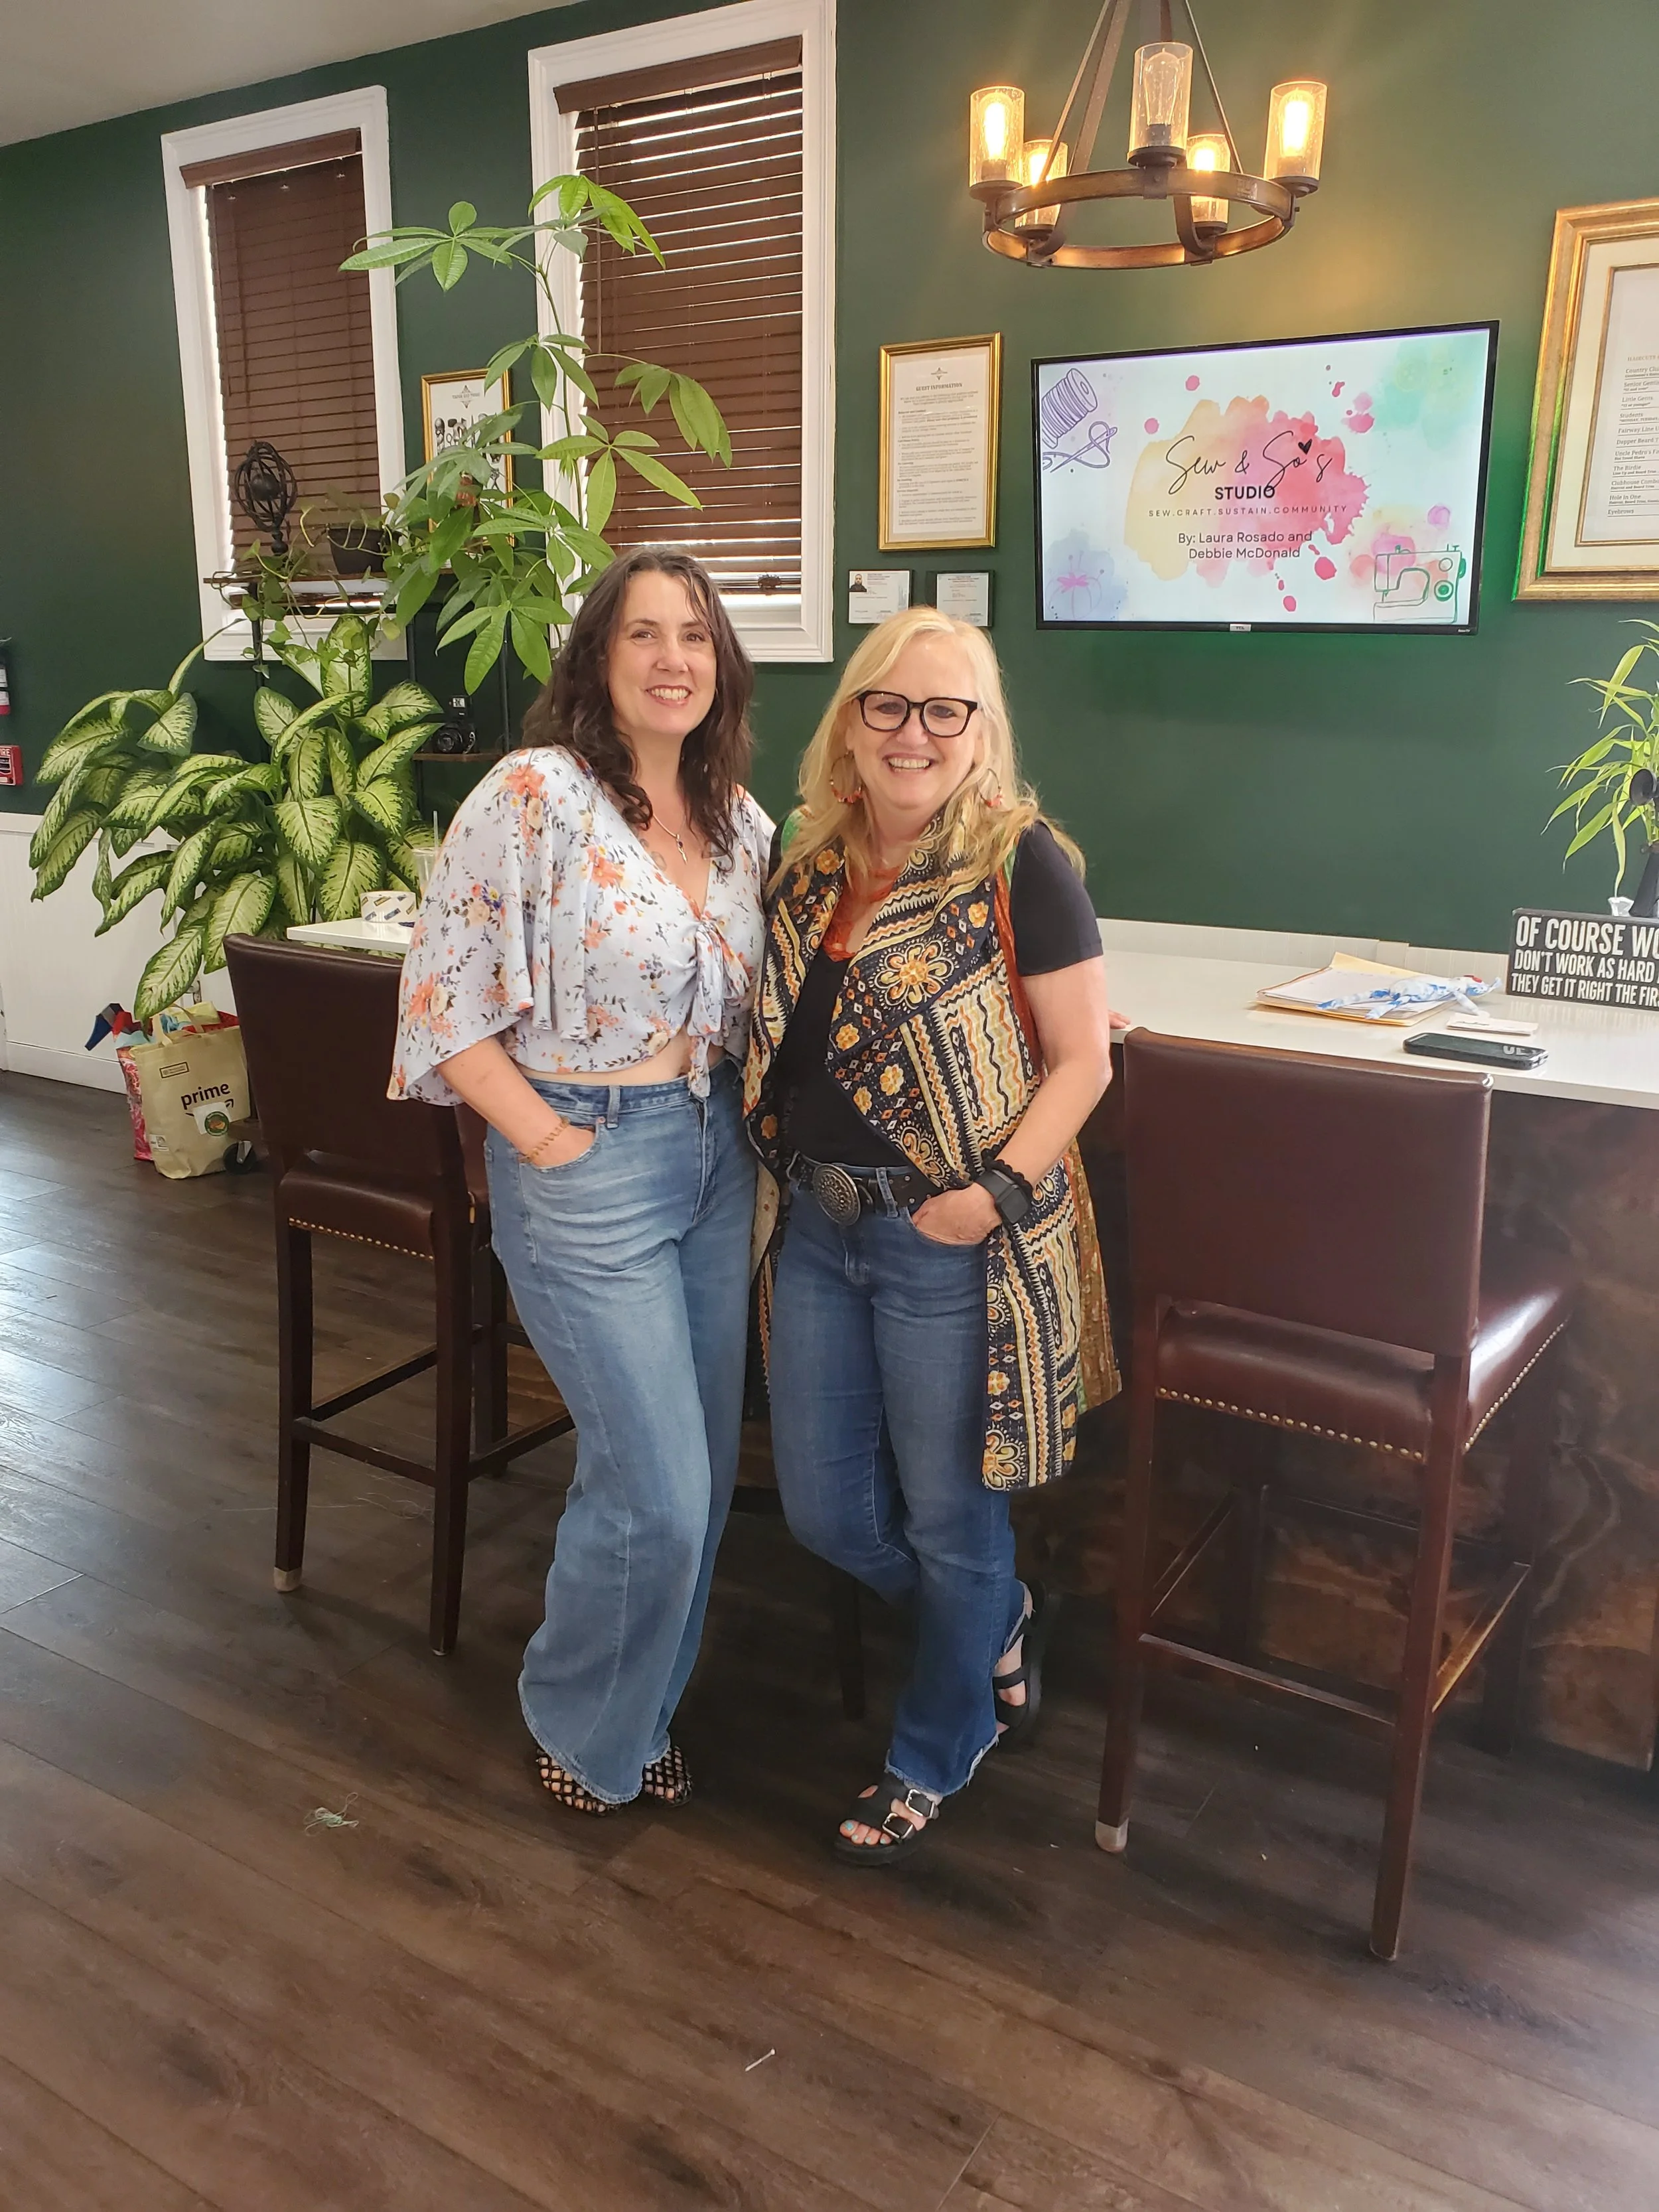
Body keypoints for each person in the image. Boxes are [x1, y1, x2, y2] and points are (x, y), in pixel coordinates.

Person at [392, 548, 771, 1816]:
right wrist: (546, 1141)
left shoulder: (739, 818)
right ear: (598, 660)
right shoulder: (532, 796)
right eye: (646, 635)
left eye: (697, 637)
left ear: (722, 667)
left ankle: (639, 1712)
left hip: (714, 1155)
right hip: (589, 1155)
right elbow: (442, 1005)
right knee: (655, 1486)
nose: (675, 659)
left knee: (699, 1476)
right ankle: (577, 1715)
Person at [745, 605, 1118, 1862]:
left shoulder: (1022, 865)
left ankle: (937, 1742)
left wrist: (992, 1195)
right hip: (819, 1230)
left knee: (952, 1518)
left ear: (980, 732)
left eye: (943, 710)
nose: (912, 733)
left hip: (946, 1240)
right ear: (850, 722)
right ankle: (997, 1616)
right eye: (887, 705)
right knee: (827, 1512)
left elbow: (1083, 1062)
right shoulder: (808, 866)